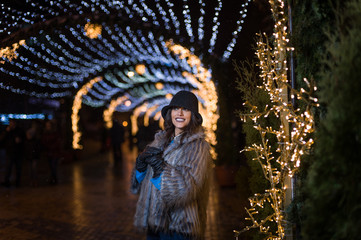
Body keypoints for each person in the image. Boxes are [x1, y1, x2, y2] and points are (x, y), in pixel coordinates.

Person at [131, 90, 212, 240]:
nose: (180, 113)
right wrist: (140, 168)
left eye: (186, 109)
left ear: (193, 116)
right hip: (154, 223)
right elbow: (141, 185)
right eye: (176, 108)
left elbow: (187, 189)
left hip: (179, 226)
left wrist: (160, 168)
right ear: (170, 113)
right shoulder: (160, 141)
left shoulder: (197, 147)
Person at [1, 119, 25, 188]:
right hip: (10, 152)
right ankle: (7, 181)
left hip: (18, 152)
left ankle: (17, 182)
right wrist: (6, 132)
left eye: (12, 123)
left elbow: (23, 139)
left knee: (18, 168)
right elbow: (2, 139)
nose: (11, 124)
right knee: (8, 168)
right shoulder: (7, 131)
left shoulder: (19, 130)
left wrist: (20, 140)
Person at [41, 120, 61, 185]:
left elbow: (57, 142)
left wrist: (51, 146)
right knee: (51, 167)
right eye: (47, 126)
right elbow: (43, 141)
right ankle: (53, 179)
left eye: (49, 125)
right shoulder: (45, 133)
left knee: (53, 166)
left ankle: (54, 179)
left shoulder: (54, 133)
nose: (48, 127)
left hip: (54, 153)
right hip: (48, 153)